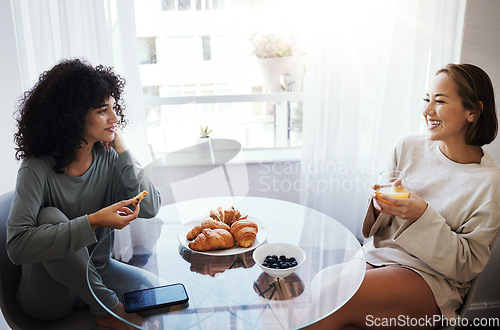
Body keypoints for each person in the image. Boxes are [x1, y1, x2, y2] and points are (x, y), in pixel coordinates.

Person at [307, 64, 500, 329]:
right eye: (426, 99)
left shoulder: (489, 182)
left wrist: (422, 216)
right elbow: (376, 230)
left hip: (431, 279)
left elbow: (466, 265)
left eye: (440, 101)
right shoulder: (408, 147)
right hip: (378, 257)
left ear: (472, 111)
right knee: (323, 287)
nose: (427, 110)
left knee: (334, 294)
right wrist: (379, 206)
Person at [7, 58, 162, 329]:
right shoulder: (36, 168)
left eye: (114, 108)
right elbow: (17, 247)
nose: (114, 118)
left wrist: (123, 150)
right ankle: (108, 309)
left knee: (151, 293)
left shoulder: (109, 158)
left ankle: (102, 302)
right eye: (103, 110)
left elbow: (151, 207)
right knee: (50, 217)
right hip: (48, 295)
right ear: (72, 115)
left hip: (99, 274)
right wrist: (94, 221)